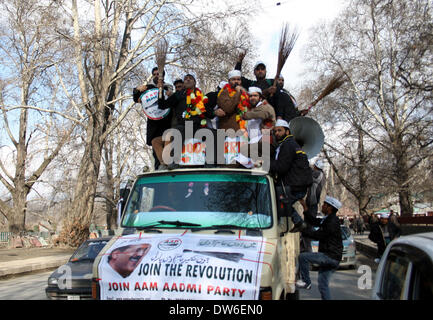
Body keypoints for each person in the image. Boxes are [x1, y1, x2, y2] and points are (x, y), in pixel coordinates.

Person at [157, 73, 217, 167]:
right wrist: (160, 91)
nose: (188, 80)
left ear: (194, 82)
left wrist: (215, 113)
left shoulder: (201, 96)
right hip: (184, 126)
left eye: (190, 78)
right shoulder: (178, 95)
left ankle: (210, 163)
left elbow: (208, 113)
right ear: (184, 83)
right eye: (186, 79)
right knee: (178, 131)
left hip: (198, 126)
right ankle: (174, 162)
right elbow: (162, 105)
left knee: (213, 134)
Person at [269, 119, 313, 232]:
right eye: (275, 131)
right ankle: (299, 223)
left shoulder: (288, 145)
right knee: (281, 204)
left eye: (280, 130)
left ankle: (299, 223)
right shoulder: (290, 144)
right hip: (298, 185)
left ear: (287, 132)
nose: (277, 133)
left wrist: (266, 164)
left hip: (294, 186)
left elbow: (281, 167)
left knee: (278, 204)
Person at [296, 196, 343, 300]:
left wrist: (302, 230)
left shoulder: (331, 221)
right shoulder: (328, 219)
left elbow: (318, 235)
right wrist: (304, 206)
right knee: (323, 285)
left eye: (324, 205)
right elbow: (314, 221)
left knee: (303, 257)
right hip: (333, 257)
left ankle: (306, 282)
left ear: (329, 207)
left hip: (329, 256)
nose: (322, 206)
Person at [132, 67, 173, 170]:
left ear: (163, 76)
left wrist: (170, 94)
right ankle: (159, 169)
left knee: (169, 148)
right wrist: (137, 89)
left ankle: (170, 167)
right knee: (156, 151)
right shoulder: (149, 88)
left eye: (158, 74)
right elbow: (136, 99)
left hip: (167, 123)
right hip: (154, 126)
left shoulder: (168, 88)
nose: (156, 76)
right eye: (154, 75)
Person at [239, 87, 276, 162]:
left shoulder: (265, 106)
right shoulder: (251, 108)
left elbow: (262, 114)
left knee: (244, 151)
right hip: (254, 142)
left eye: (255, 96)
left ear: (260, 98)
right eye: (250, 96)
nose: (253, 98)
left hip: (266, 141)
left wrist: (244, 115)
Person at [300, 159, 327, 252]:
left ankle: (307, 248)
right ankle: (305, 246)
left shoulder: (318, 174)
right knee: (307, 226)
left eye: (314, 166)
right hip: (312, 203)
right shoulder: (320, 174)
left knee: (308, 227)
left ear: (316, 167)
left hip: (312, 203)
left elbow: (309, 173)